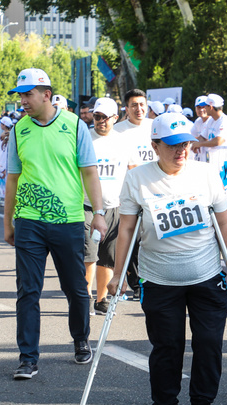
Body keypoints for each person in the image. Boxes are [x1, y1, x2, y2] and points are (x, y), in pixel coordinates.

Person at [109, 112, 227, 405]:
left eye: (185, 143)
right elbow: (126, 227)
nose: (180, 150)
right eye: (171, 145)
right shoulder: (138, 178)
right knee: (167, 347)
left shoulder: (206, 174)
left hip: (206, 274)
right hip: (159, 278)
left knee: (210, 344)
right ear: (155, 146)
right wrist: (118, 273)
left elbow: (224, 222)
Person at [4, 68, 107, 379]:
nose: (23, 101)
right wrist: (9, 222)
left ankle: (80, 339)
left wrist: (98, 212)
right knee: (27, 291)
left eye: (28, 94)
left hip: (69, 220)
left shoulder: (75, 126)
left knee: (75, 288)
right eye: (20, 95)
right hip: (29, 220)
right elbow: (12, 179)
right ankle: (28, 358)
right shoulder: (19, 129)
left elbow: (90, 173)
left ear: (46, 94)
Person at [84, 97, 139, 314]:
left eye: (105, 118)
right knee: (89, 254)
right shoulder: (85, 139)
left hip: (115, 206)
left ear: (115, 118)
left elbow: (134, 171)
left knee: (108, 256)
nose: (100, 121)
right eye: (96, 116)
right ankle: (85, 298)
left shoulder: (123, 141)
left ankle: (101, 299)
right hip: (87, 205)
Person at [114, 89, 156, 300]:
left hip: (157, 191)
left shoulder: (155, 127)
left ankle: (152, 279)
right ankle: (136, 282)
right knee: (131, 238)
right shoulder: (118, 131)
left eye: (142, 104)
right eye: (134, 105)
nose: (139, 109)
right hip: (130, 193)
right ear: (127, 108)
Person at [191, 94, 227, 163]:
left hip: (225, 162)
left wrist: (200, 144)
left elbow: (218, 141)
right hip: (213, 160)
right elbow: (202, 137)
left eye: (205, 106)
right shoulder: (211, 120)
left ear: (211, 107)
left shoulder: (226, 120)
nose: (204, 108)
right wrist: (194, 143)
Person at [190, 96, 211, 163]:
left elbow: (209, 139)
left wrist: (198, 142)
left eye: (204, 107)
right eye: (199, 107)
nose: (201, 110)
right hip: (201, 158)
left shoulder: (212, 120)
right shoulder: (198, 121)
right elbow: (191, 137)